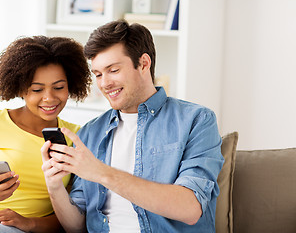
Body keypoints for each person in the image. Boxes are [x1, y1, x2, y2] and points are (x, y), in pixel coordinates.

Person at [41, 20, 224, 232]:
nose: (104, 84)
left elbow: (190, 208)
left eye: (113, 70)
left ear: (144, 63)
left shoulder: (196, 120)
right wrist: (54, 186)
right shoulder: (91, 132)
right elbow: (76, 226)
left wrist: (101, 173)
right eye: (98, 74)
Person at [0, 36, 91, 233]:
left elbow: (76, 218)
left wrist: (28, 223)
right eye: (37, 89)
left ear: (70, 85)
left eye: (58, 87)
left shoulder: (76, 136)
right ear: (21, 88)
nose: (49, 98)